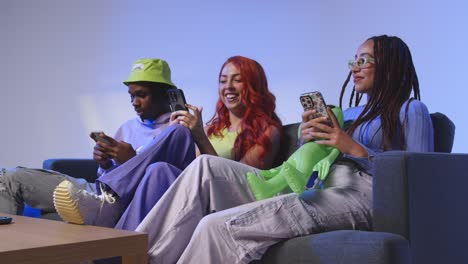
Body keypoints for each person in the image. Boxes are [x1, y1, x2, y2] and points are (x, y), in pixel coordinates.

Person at [134, 35, 434, 264]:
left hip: (361, 193)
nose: (355, 68)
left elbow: (419, 178)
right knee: (203, 168)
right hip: (315, 185)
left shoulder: (411, 110)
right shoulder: (348, 113)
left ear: (390, 66)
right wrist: (308, 139)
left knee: (216, 226)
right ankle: (135, 253)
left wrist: (352, 147)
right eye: (353, 60)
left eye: (364, 60)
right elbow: (314, 162)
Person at [53, 55, 283, 230]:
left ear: (253, 85)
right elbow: (189, 166)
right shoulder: (214, 126)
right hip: (189, 184)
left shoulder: (268, 130)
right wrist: (188, 132)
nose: (228, 87)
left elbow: (242, 181)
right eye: (223, 81)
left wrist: (198, 137)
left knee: (180, 133)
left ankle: (107, 196)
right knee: (159, 168)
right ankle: (118, 246)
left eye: (238, 80)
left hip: (221, 196)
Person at [0, 58, 194, 229]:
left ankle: (104, 207)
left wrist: (131, 160)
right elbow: (103, 175)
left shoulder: (177, 131)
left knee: (176, 134)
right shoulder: (127, 127)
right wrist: (104, 163)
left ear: (165, 95)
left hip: (128, 202)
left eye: (142, 95)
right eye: (131, 96)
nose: (135, 102)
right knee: (9, 178)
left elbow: (167, 184)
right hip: (97, 194)